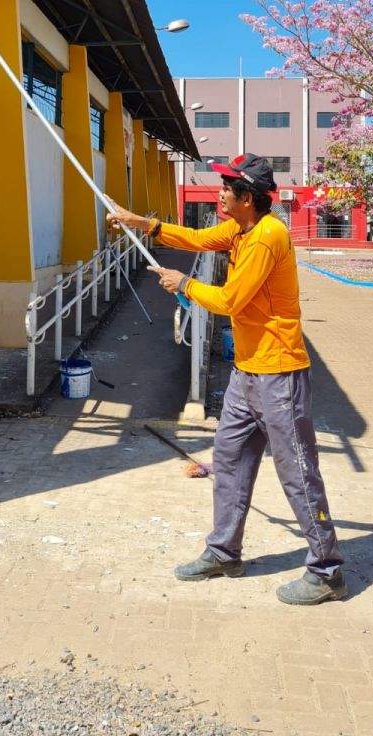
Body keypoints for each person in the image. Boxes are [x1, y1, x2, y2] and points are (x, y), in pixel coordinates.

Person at [107, 152, 346, 605]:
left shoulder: (265, 237)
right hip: (245, 377)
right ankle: (224, 552)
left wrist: (185, 285)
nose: (219, 195)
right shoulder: (239, 228)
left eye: (226, 190)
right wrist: (143, 223)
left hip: (279, 376)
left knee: (297, 472)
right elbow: (197, 239)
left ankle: (328, 571)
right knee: (230, 461)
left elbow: (231, 300)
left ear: (247, 198)